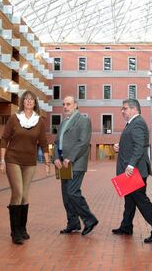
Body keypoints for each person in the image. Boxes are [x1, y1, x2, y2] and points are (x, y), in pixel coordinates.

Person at [112, 99, 152, 243]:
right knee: (129, 201)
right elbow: (132, 143)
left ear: (134, 109)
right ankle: (126, 226)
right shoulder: (132, 123)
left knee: (141, 201)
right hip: (131, 170)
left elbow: (139, 147)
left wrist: (130, 165)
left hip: (134, 171)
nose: (122, 111)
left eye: (124, 109)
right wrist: (120, 146)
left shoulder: (138, 123)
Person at [0, 90, 50, 245]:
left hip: (30, 162)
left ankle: (22, 228)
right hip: (13, 159)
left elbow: (43, 143)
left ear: (35, 103)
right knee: (18, 192)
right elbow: (4, 139)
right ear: (23, 102)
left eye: (31, 99)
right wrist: (2, 160)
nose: (29, 101)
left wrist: (47, 163)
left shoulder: (39, 121)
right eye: (26, 99)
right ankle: (15, 231)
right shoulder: (14, 119)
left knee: (25, 195)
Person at [54, 96, 98, 236]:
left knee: (72, 192)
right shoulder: (63, 123)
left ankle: (89, 219)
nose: (65, 107)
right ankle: (72, 223)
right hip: (62, 164)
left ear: (76, 105)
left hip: (75, 163)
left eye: (68, 104)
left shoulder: (83, 121)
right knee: (66, 195)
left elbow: (82, 142)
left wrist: (70, 158)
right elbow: (56, 143)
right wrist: (56, 157)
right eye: (63, 104)